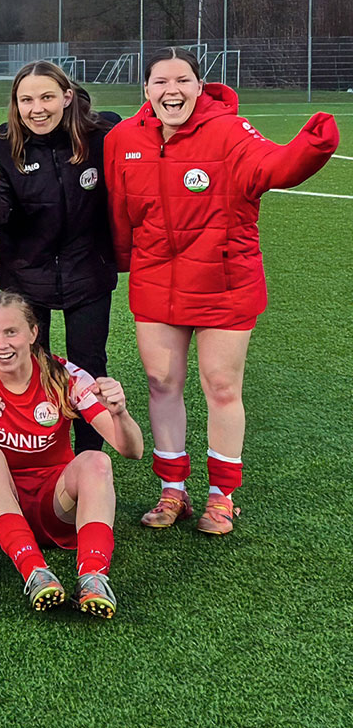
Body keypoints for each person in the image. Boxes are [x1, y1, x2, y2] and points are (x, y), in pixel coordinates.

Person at [104, 48, 338, 535]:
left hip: (224, 283)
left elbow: (274, 168)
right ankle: (173, 490)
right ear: (146, 90)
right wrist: (124, 260)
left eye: (183, 80)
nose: (173, 91)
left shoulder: (230, 131)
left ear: (199, 85)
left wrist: (312, 147)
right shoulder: (124, 138)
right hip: (155, 283)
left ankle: (221, 496)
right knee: (162, 383)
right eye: (161, 82)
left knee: (222, 387)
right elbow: (119, 208)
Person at [0, 291, 145, 618]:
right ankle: (34, 572)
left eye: (11, 332)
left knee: (96, 461)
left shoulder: (63, 374)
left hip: (53, 507)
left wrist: (120, 414)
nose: (1, 344)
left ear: (33, 333)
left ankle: (93, 577)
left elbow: (132, 450)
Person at [0, 61, 121, 453]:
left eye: (47, 96)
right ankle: (43, 456)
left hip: (88, 272)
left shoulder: (102, 134)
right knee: (31, 371)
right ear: (15, 104)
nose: (37, 108)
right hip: (25, 277)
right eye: (26, 99)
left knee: (88, 368)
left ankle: (89, 459)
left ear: (67, 97)